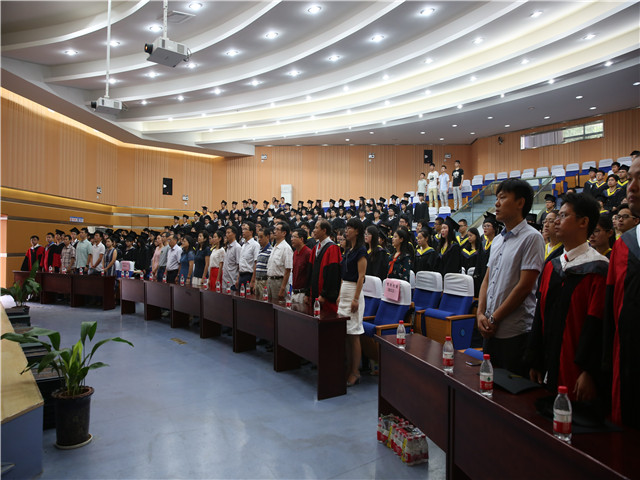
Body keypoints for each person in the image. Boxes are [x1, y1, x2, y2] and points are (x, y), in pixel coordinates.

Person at [527, 193, 608, 405]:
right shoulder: (552, 266)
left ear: (583, 222)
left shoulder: (598, 269)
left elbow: (598, 326)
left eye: (563, 216)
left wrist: (589, 371)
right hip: (546, 367)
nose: (556, 221)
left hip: (577, 374)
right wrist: (535, 359)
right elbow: (539, 316)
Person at [476, 179, 545, 375]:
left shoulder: (532, 238)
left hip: (515, 333)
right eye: (497, 198)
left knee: (512, 390)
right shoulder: (498, 240)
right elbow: (487, 280)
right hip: (490, 330)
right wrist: (480, 314)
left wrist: (494, 318)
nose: (497, 204)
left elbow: (524, 287)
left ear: (520, 203)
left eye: (503, 198)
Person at [603, 157, 640, 429]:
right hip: (628, 368)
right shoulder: (624, 246)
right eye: (632, 178)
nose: (632, 186)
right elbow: (610, 312)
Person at [338, 218, 367, 388]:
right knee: (346, 333)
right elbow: (343, 275)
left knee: (354, 334)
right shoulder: (349, 250)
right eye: (346, 227)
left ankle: (355, 372)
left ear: (357, 231)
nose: (346, 231)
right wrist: (340, 295)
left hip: (354, 292)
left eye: (350, 228)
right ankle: (349, 368)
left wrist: (355, 298)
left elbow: (361, 276)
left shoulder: (361, 250)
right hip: (345, 292)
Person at [307, 219, 342, 313]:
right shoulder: (315, 248)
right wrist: (307, 292)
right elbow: (310, 271)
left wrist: (324, 294)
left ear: (324, 230)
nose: (313, 230)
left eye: (316, 228)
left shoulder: (332, 248)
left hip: (325, 298)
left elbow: (333, 273)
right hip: (314, 293)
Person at [265, 222, 293, 299]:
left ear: (284, 233)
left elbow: (288, 270)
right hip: (270, 281)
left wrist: (282, 288)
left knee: (278, 304)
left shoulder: (286, 248)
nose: (274, 231)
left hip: (279, 282)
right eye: (275, 229)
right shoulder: (275, 246)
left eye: (277, 229)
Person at [291, 228, 311, 303]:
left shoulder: (308, 253)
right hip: (294, 292)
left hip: (303, 293)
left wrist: (307, 294)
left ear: (301, 239)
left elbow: (310, 275)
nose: (291, 239)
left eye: (294, 237)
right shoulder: (295, 253)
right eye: (291, 237)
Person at [237, 221, 260, 289]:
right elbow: (241, 263)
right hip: (241, 275)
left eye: (245, 229)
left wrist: (253, 281)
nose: (243, 231)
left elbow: (256, 263)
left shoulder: (255, 245)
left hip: (249, 276)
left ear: (251, 232)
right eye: (243, 229)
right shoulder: (243, 245)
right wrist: (238, 278)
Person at [219, 226, 241, 291]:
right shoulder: (228, 247)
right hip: (225, 280)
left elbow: (239, 265)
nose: (227, 235)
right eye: (226, 233)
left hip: (232, 281)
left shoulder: (237, 247)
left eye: (228, 233)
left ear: (234, 234)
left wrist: (237, 279)